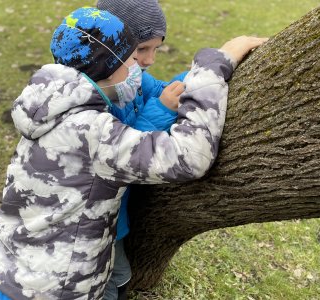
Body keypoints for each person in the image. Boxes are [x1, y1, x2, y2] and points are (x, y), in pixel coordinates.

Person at [0, 6, 265, 300]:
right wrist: (213, 67)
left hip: (4, 276)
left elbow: (158, 88)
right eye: (132, 58)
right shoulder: (92, 132)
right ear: (109, 64)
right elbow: (190, 157)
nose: (140, 66)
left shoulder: (53, 103)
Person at [96, 1, 268, 299]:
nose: (149, 60)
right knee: (109, 282)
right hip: (98, 224)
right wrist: (161, 109)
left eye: (156, 49)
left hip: (115, 218)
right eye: (141, 50)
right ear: (110, 47)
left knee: (119, 277)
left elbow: (168, 88)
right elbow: (126, 153)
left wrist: (207, 70)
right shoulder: (98, 99)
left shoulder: (132, 79)